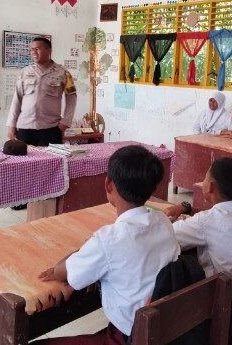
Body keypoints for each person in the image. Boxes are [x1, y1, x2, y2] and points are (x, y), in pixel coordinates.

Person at [35, 145, 180, 345]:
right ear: (154, 188)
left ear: (109, 185)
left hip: (129, 338)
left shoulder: (109, 239)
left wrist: (83, 251)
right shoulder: (163, 221)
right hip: (165, 329)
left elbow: (63, 272)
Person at [163, 158, 232, 277]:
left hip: (227, 290)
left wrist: (165, 221)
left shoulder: (205, 221)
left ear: (210, 186)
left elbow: (167, 235)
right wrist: (185, 207)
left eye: (205, 177)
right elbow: (214, 218)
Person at [6, 37, 77, 146]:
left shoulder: (62, 72)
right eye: (32, 49)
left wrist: (65, 122)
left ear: (49, 51)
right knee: (24, 162)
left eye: (37, 49)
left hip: (51, 128)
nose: (33, 52)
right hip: (25, 128)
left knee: (51, 162)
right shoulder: (25, 72)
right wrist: (11, 125)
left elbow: (72, 97)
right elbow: (17, 99)